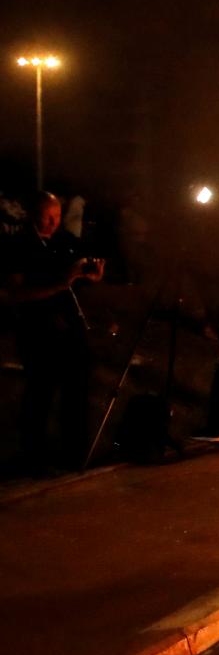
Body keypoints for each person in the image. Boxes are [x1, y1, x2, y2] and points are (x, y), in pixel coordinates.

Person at [5, 192, 105, 472]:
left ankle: (76, 455)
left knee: (77, 391)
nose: (53, 222)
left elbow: (78, 278)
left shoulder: (64, 242)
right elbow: (16, 293)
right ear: (33, 214)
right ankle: (34, 457)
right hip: (37, 330)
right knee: (41, 393)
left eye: (57, 216)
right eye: (47, 216)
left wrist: (91, 275)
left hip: (70, 328)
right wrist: (62, 282)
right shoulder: (19, 246)